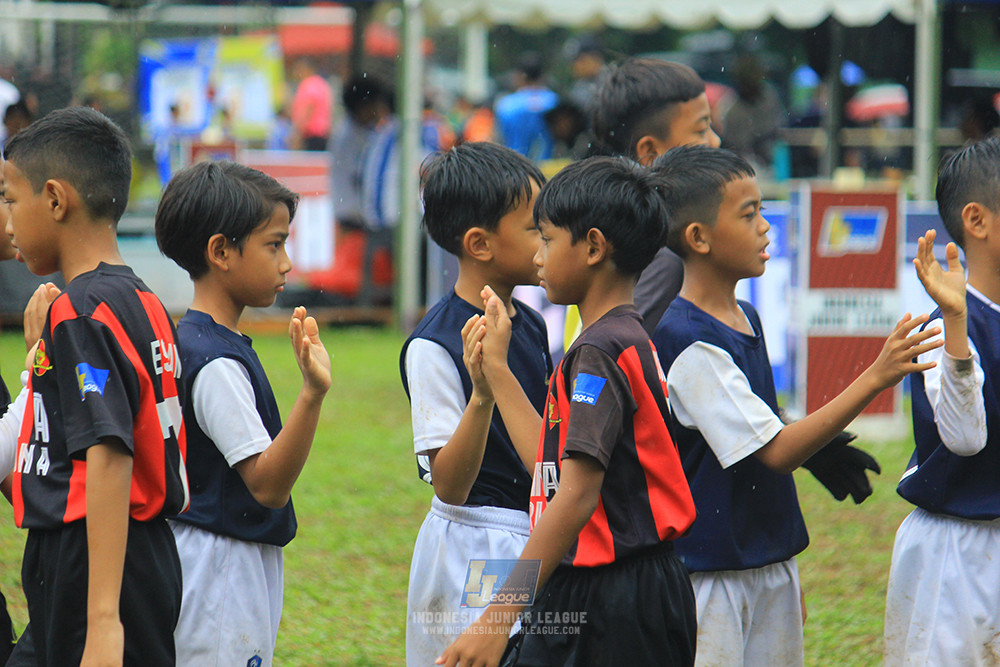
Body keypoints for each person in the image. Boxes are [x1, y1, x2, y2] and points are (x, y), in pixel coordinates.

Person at [650, 145, 941, 667]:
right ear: (698, 238)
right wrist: (877, 375)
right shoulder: (688, 340)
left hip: (765, 564)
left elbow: (766, 428)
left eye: (764, 210)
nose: (766, 227)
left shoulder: (746, 317)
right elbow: (776, 452)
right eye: (749, 214)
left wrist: (781, 570)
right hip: (713, 577)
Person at [438, 156, 698, 667]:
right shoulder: (614, 338)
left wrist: (496, 619)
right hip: (617, 584)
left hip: (618, 596)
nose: (538, 254)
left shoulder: (600, 352)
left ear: (595, 247)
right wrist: (497, 373)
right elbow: (551, 470)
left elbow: (577, 494)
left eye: (549, 239)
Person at [2, 105, 189, 666]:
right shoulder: (142, 300)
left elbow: (109, 452)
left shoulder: (81, 311)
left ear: (56, 200)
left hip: (100, 561)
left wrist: (103, 621)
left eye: (11, 198)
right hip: (127, 554)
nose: (7, 220)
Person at [154, 160, 331, 666]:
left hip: (211, 559)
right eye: (274, 244)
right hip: (219, 570)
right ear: (221, 252)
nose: (287, 263)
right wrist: (312, 394)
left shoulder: (195, 342)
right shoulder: (214, 363)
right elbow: (268, 485)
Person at [402, 142, 551, 666]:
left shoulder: (529, 325)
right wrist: (483, 392)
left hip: (535, 536)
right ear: (480, 243)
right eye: (535, 227)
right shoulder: (433, 344)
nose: (547, 238)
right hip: (475, 544)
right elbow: (450, 484)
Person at [883, 137, 1000, 665]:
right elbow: (966, 437)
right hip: (956, 557)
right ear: (977, 221)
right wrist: (953, 322)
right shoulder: (945, 329)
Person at [589, 57, 720, 336]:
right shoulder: (662, 254)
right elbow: (620, 354)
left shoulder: (605, 224)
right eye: (701, 129)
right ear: (649, 152)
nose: (715, 141)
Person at [494, 53, 559, 161]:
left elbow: (498, 139)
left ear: (519, 76)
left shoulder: (506, 105)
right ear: (542, 76)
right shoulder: (555, 101)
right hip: (550, 170)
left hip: (516, 169)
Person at [289, 57, 333, 151]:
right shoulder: (322, 84)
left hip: (310, 135)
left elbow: (306, 110)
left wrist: (297, 134)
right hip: (323, 134)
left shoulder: (307, 85)